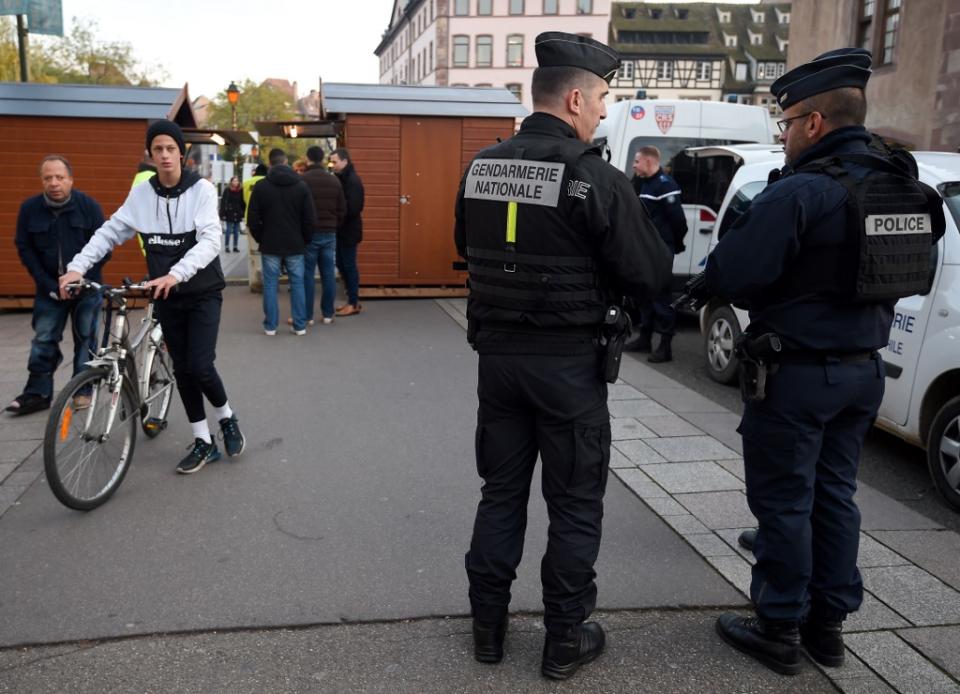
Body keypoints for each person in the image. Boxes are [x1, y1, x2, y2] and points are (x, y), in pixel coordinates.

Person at [705, 49, 945, 675]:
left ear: (814, 123)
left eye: (785, 124)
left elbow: (732, 272)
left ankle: (778, 628)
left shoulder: (804, 191)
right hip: (865, 370)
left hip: (797, 374)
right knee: (835, 496)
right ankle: (827, 628)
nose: (781, 136)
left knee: (785, 502)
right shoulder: (905, 184)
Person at [455, 32, 671, 680]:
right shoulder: (595, 178)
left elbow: (468, 243)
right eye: (602, 98)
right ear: (575, 98)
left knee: (500, 495)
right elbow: (650, 275)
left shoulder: (481, 167)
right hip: (569, 368)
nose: (605, 110)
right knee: (575, 504)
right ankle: (564, 640)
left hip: (499, 362)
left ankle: (488, 631)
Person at [59, 120, 247, 475]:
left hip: (201, 291)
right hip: (165, 295)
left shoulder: (202, 190)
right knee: (182, 370)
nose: (164, 155)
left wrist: (177, 273)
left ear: (181, 153)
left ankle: (227, 417)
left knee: (200, 366)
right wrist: (77, 267)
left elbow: (210, 241)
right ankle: (203, 440)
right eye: (157, 149)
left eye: (170, 149)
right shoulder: (143, 193)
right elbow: (110, 231)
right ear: (151, 154)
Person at [7, 156, 107, 416]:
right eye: (48, 178)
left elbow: (103, 247)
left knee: (86, 338)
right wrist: (47, 283)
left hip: (87, 287)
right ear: (42, 181)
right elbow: (25, 247)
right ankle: (37, 393)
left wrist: (82, 279)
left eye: (59, 177)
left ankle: (82, 391)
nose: (54, 183)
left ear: (71, 179)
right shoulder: (29, 209)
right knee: (44, 339)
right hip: (49, 288)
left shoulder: (88, 207)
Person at [625, 146, 687, 362]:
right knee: (645, 293)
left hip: (660, 250)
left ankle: (665, 345)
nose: (634, 165)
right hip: (646, 248)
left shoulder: (665, 185)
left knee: (661, 297)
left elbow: (678, 221)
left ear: (649, 162)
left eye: (637, 161)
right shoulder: (645, 183)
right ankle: (645, 338)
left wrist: (674, 245)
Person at [246, 148, 316, 336]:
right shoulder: (301, 186)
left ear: (270, 164)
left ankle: (271, 326)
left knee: (270, 284)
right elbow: (309, 219)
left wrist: (262, 237)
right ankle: (299, 325)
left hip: (270, 244)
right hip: (295, 244)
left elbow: (252, 219)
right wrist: (304, 240)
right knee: (298, 283)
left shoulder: (261, 187)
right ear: (286, 163)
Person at [300, 145, 345, 326]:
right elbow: (343, 209)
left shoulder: (303, 181)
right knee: (328, 275)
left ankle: (308, 316)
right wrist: (334, 225)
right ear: (322, 159)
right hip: (329, 233)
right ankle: (328, 314)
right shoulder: (334, 181)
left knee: (307, 276)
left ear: (308, 158)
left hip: (310, 234)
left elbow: (299, 210)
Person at [330, 148, 365, 316]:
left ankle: (353, 302)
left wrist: (337, 215)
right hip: (342, 229)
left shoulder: (352, 181)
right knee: (342, 264)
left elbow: (354, 208)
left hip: (349, 230)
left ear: (345, 161)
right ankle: (350, 301)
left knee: (349, 265)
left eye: (335, 162)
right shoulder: (343, 178)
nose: (333, 165)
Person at [219, 176, 245, 253]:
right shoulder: (227, 190)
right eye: (234, 181)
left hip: (238, 212)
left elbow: (242, 202)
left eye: (237, 181)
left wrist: (242, 212)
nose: (235, 182)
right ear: (231, 182)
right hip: (229, 212)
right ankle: (227, 246)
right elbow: (224, 202)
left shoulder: (240, 190)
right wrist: (222, 214)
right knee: (228, 230)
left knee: (236, 231)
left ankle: (235, 246)